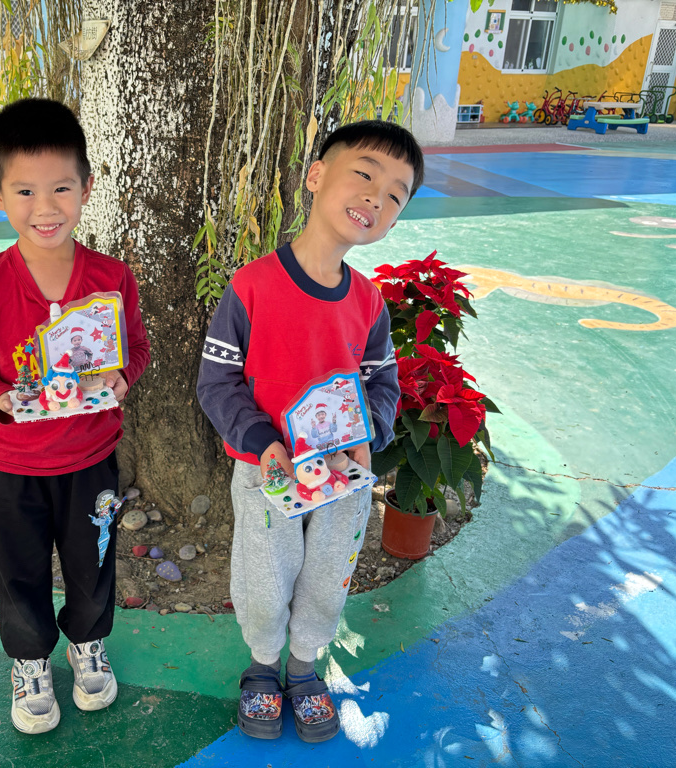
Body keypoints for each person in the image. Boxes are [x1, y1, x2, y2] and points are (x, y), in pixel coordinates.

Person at [197, 120, 421, 743]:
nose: (376, 197)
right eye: (365, 173)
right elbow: (216, 383)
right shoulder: (251, 286)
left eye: (396, 194)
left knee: (328, 573)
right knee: (265, 575)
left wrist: (367, 435)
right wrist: (262, 441)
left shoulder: (368, 303)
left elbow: (382, 383)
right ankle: (262, 668)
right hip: (267, 472)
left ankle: (303, 669)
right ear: (316, 175)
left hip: (344, 476)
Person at [0, 98, 150, 735]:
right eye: (25, 190)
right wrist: (1, 398)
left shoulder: (111, 278)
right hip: (11, 465)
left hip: (91, 460)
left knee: (93, 563)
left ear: (86, 187)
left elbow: (138, 349)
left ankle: (88, 643)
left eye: (62, 187)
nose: (46, 207)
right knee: (19, 570)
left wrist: (121, 377)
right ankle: (30, 659)